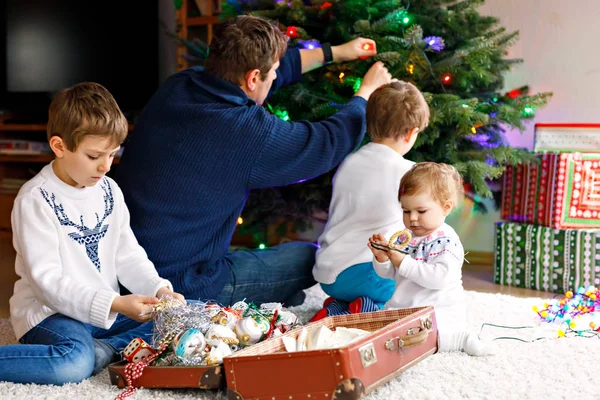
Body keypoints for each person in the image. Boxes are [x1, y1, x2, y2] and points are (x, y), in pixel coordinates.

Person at [115, 15, 394, 307]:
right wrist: (366, 94)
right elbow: (327, 142)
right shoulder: (246, 131)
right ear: (251, 78)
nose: (275, 76)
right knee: (310, 257)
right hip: (185, 284)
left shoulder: (178, 85)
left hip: (123, 266)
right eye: (270, 72)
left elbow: (274, 71)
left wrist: (338, 52)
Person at [0, 82, 184, 385]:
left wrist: (158, 291)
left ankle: (101, 352)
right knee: (72, 364)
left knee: (176, 319)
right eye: (94, 155)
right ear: (59, 146)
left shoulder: (109, 190)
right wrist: (115, 304)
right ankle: (91, 355)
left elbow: (128, 255)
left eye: (112, 154)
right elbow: (49, 283)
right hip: (49, 314)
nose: (105, 166)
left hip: (100, 314)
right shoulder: (35, 199)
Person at [310, 81, 429, 321]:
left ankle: (339, 308)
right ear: (410, 133)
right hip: (366, 274)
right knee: (415, 282)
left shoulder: (349, 162)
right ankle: (367, 307)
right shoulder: (409, 172)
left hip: (328, 274)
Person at [367, 162, 493, 356]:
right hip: (405, 307)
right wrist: (383, 259)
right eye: (406, 211)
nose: (413, 218)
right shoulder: (406, 236)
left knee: (426, 338)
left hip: (438, 311)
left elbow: (438, 278)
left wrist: (403, 261)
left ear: (446, 207)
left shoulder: (446, 241)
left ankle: (463, 338)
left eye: (421, 211)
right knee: (379, 331)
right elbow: (392, 274)